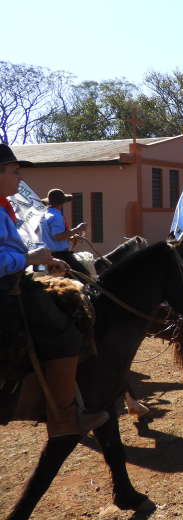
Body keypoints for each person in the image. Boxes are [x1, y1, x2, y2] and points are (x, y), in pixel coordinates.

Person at [0, 143, 108, 437]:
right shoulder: (53, 216)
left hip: (27, 267)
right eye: (14, 171)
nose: (20, 177)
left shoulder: (12, 209)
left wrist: (42, 257)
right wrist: (31, 258)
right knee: (69, 328)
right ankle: (64, 416)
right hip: (7, 286)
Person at [40, 188, 90, 275]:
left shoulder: (44, 215)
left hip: (46, 254)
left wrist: (70, 237)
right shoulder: (56, 216)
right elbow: (58, 236)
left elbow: (50, 236)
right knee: (84, 275)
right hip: (59, 255)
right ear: (62, 203)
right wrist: (78, 229)